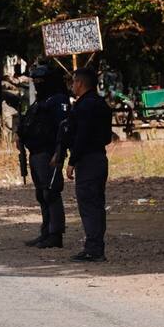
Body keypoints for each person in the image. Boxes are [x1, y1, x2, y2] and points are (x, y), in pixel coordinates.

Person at [18, 65, 71, 248]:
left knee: (51, 192)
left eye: (40, 81)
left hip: (49, 153)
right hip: (35, 152)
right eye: (35, 81)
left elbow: (63, 128)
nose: (37, 84)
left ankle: (55, 234)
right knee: (42, 194)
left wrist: (59, 153)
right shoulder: (41, 100)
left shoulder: (58, 100)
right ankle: (46, 231)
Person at [66, 67, 113, 262]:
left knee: (89, 204)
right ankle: (95, 245)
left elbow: (81, 136)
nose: (72, 86)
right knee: (97, 204)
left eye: (74, 82)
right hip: (100, 157)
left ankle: (93, 248)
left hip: (88, 160)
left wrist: (72, 161)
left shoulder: (84, 107)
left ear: (80, 83)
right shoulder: (101, 104)